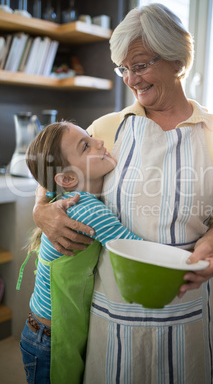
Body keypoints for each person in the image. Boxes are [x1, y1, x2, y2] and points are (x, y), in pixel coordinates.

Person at [33, 3, 213, 383]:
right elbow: (54, 166)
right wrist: (41, 212)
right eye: (124, 68)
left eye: (142, 64)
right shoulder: (108, 128)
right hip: (112, 316)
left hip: (186, 313)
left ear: (177, 59)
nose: (131, 78)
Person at [18, 121, 143, 384]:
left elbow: (47, 180)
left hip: (40, 330)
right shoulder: (88, 209)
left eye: (92, 137)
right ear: (68, 179)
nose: (100, 143)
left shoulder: (62, 194)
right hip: (50, 339)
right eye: (86, 146)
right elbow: (135, 250)